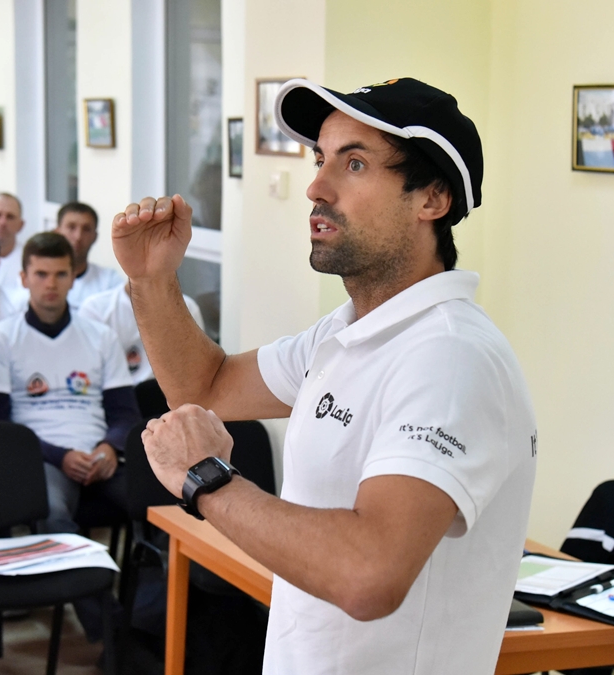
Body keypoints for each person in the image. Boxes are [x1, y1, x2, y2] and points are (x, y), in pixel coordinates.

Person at [113, 78, 537, 674]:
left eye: (355, 163)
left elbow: (371, 574)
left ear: (432, 200)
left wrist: (208, 480)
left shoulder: (450, 358)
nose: (316, 187)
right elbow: (206, 387)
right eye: (320, 159)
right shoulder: (348, 332)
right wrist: (152, 282)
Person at [0, 232, 139, 534]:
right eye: (41, 274)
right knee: (51, 515)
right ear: (24, 278)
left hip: (100, 457)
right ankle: (82, 583)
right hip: (41, 458)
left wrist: (109, 448)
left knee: (161, 507)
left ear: (73, 278)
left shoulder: (101, 336)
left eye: (60, 274)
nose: (50, 284)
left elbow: (125, 414)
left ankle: (153, 582)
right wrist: (59, 456)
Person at [79, 281, 205, 385]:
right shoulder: (95, 309)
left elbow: (195, 376)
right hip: (114, 399)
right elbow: (89, 376)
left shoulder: (187, 308)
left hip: (165, 403)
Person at [55, 201, 124, 310]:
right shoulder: (37, 279)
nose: (78, 236)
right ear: (57, 232)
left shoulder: (110, 281)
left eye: (86, 229)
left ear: (95, 236)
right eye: (71, 227)